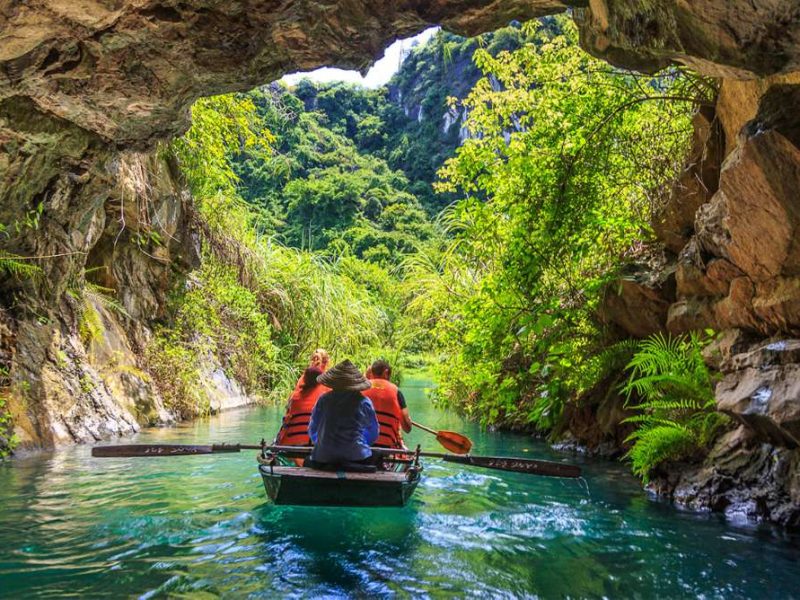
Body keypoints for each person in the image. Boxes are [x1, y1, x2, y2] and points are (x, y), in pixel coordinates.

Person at [306, 359, 379, 469]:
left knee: (308, 460)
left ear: (333, 383)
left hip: (323, 456)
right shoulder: (364, 401)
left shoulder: (323, 399)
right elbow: (373, 433)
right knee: (376, 455)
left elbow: (313, 430)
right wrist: (360, 444)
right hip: (357, 456)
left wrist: (323, 444)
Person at [275, 366, 330, 448]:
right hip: (317, 445)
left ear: (304, 379)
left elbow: (287, 417)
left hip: (290, 444)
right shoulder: (326, 396)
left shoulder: (294, 397)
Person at [363, 359, 412, 449]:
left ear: (371, 372)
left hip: (362, 446)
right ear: (386, 372)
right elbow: (407, 428)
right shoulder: (396, 391)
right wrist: (408, 420)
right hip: (387, 449)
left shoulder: (360, 388)